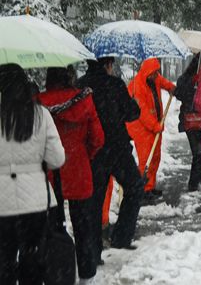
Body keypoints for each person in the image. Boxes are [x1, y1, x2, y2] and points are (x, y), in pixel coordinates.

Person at [37, 67, 104, 282]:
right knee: (84, 226)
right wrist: (86, 154)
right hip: (79, 170)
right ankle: (86, 272)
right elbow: (98, 138)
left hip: (50, 175)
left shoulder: (38, 103)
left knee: (54, 229)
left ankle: (59, 272)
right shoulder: (84, 100)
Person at [0, 64, 65, 284]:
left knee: (4, 261)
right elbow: (57, 159)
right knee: (33, 259)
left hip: (2, 203)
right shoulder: (41, 114)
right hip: (34, 202)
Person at [77, 57, 143, 257]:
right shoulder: (115, 84)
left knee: (94, 200)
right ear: (107, 65)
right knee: (134, 186)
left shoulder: (80, 87)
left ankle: (93, 249)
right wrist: (134, 103)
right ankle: (121, 236)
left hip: (93, 151)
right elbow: (132, 113)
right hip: (117, 148)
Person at [127, 58, 175, 200]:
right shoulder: (136, 86)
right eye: (153, 74)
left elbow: (163, 82)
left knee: (155, 157)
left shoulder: (153, 78)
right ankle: (143, 189)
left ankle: (150, 186)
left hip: (155, 125)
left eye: (156, 73)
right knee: (146, 158)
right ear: (147, 72)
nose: (156, 76)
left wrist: (171, 87)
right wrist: (155, 126)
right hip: (140, 126)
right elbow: (142, 112)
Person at [174, 52, 201, 195]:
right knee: (197, 153)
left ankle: (193, 184)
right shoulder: (187, 78)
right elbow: (179, 94)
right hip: (190, 120)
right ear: (197, 63)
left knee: (199, 154)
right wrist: (193, 83)